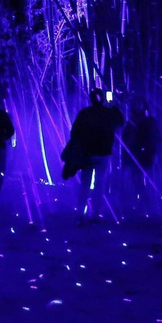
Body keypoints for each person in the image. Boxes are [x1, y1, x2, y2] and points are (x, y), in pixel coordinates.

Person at [68, 88, 124, 223]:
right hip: (103, 153)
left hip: (88, 153)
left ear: (91, 99)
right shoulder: (108, 113)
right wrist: (114, 106)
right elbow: (121, 122)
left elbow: (74, 132)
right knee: (100, 184)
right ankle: (96, 214)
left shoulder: (85, 113)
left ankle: (81, 213)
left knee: (85, 183)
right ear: (103, 98)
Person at [125, 102, 160, 208]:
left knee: (143, 178)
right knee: (137, 178)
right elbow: (127, 137)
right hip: (137, 154)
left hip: (144, 154)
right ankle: (143, 201)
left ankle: (147, 202)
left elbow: (154, 138)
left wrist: (154, 153)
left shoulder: (149, 122)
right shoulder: (134, 122)